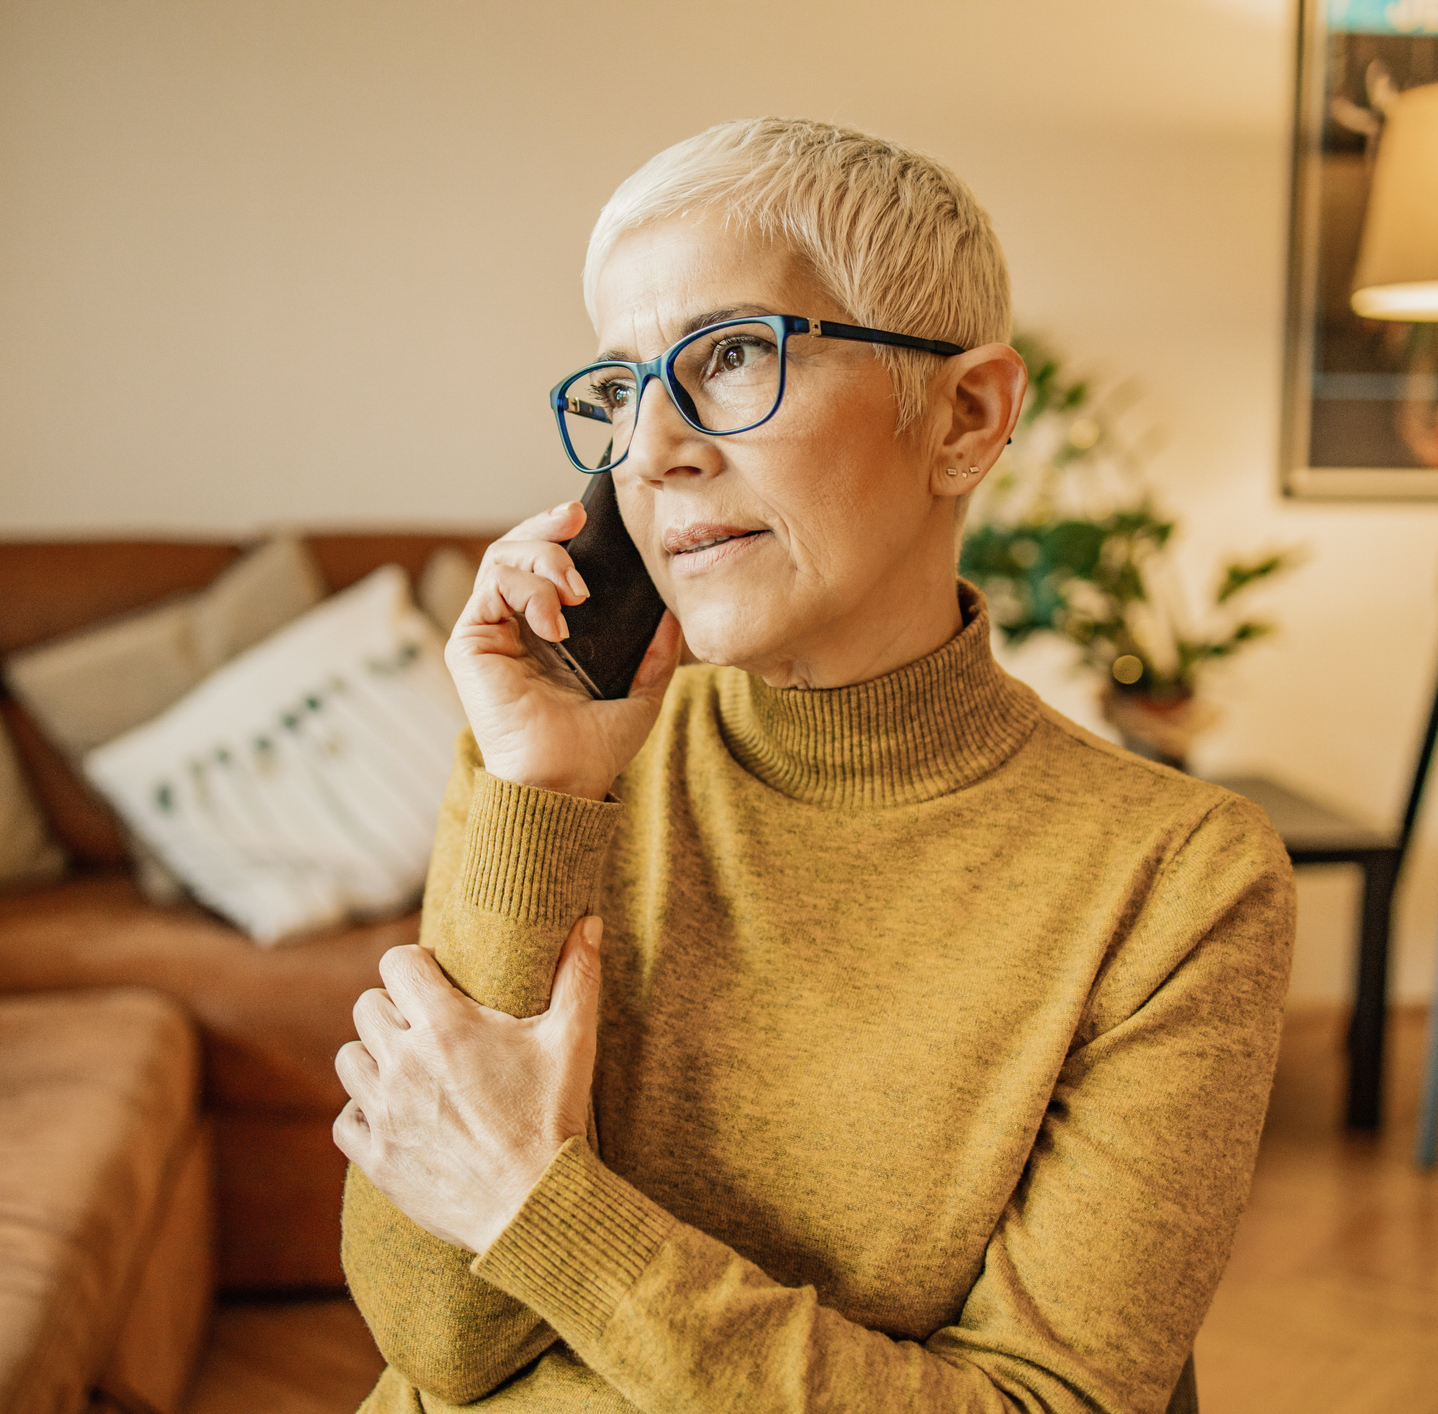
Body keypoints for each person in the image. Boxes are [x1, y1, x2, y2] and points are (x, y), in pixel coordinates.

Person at [333, 116, 1294, 1414]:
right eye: (620, 387)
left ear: (965, 414)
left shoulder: (1178, 879)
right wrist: (540, 794)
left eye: (728, 355)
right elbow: (438, 1343)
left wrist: (534, 1207)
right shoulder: (550, 764)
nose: (651, 448)